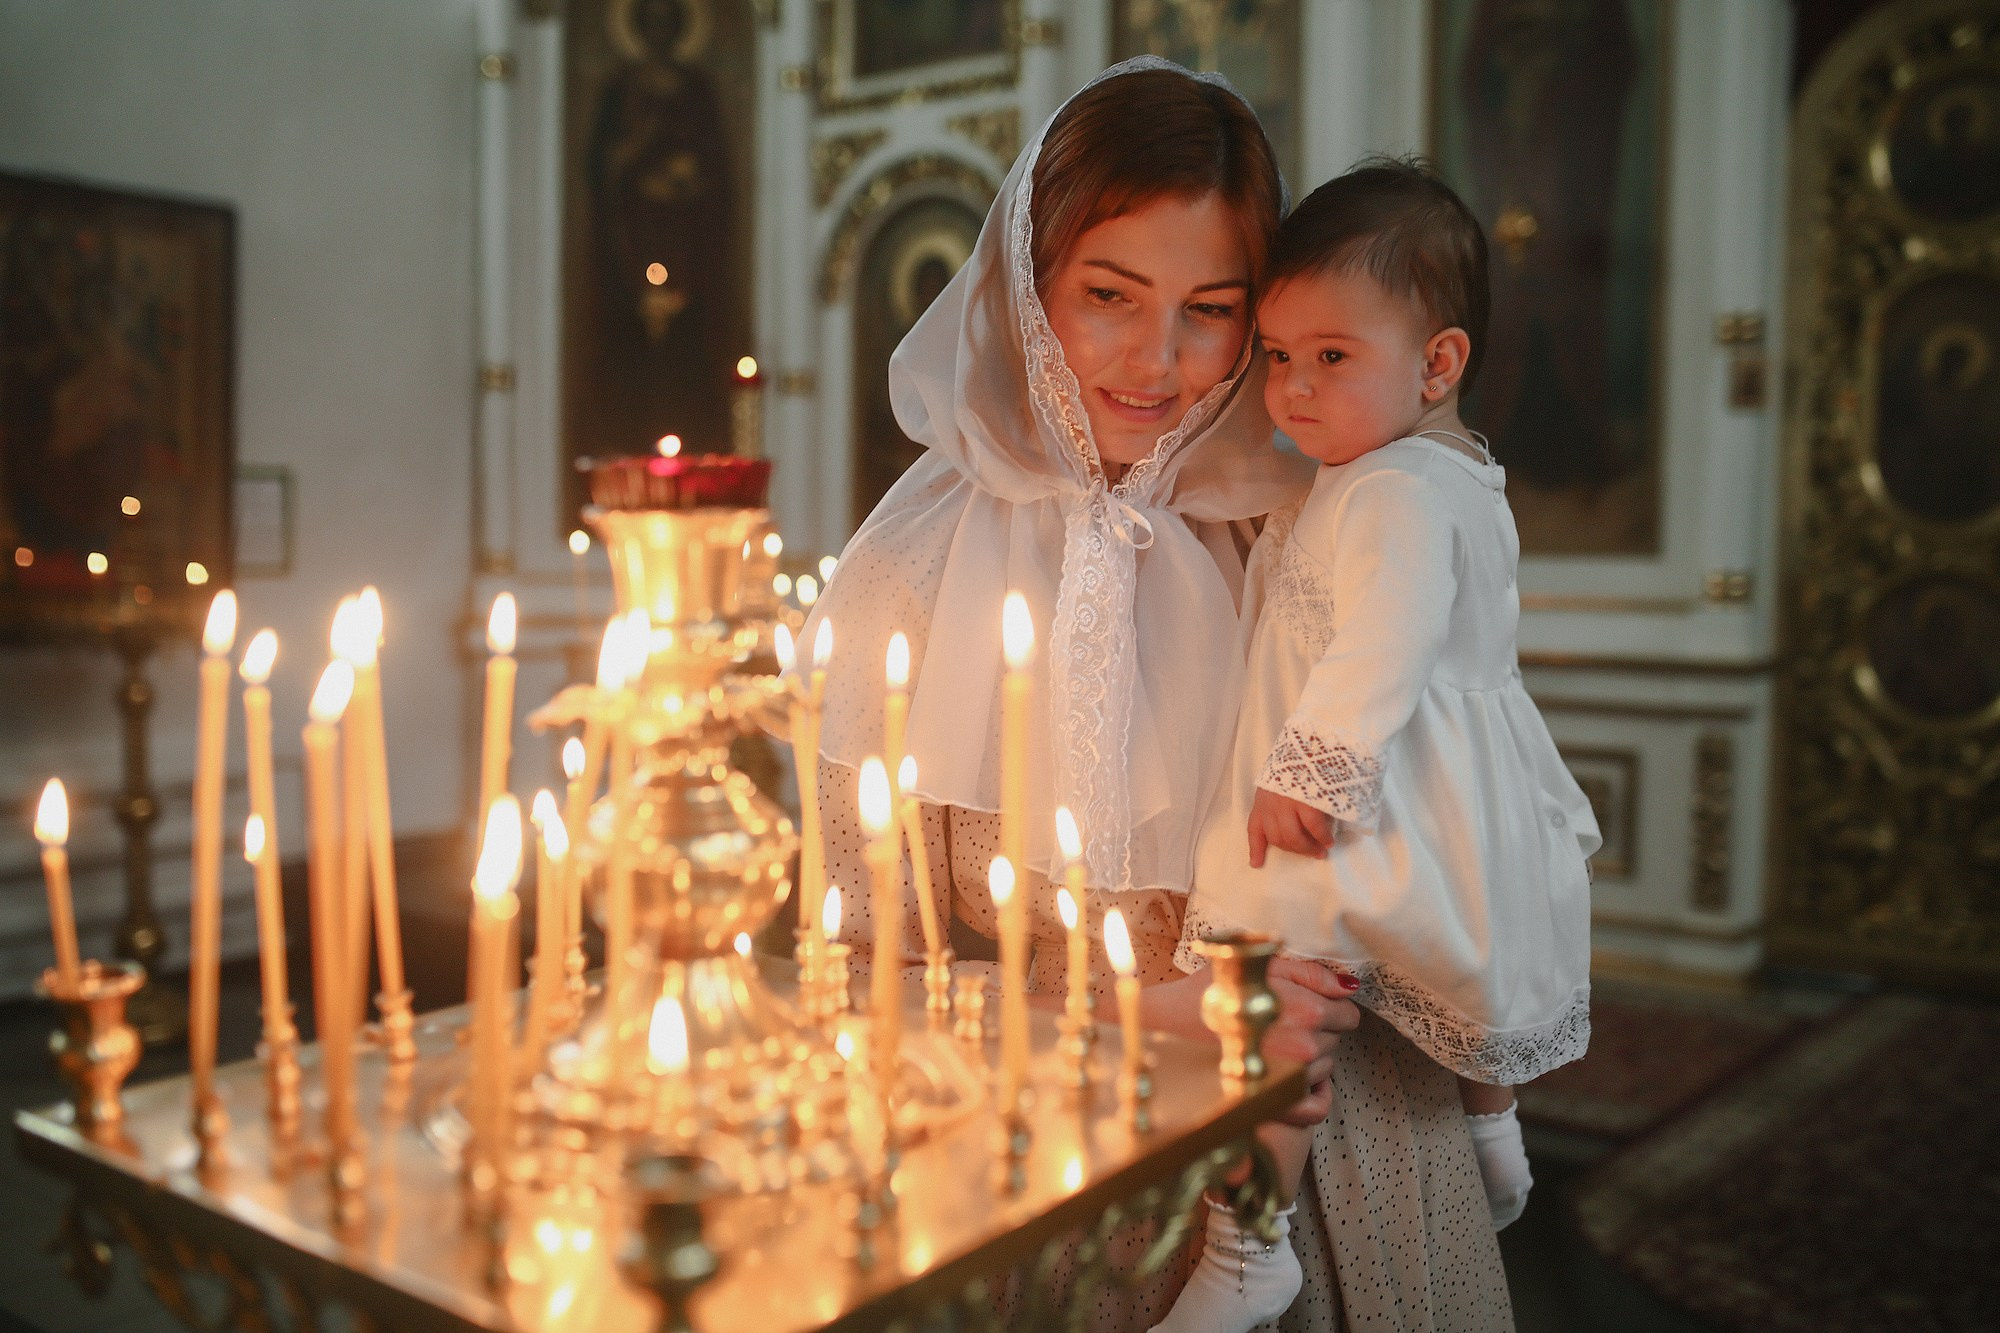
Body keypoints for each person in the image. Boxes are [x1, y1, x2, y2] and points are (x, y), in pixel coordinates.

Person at [1158, 159, 1601, 1333]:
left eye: (1330, 357)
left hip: (1366, 800)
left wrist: (1308, 769)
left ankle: (1250, 1248)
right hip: (1452, 799)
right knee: (1462, 970)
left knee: (1265, 989)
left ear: (1437, 362)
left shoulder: (1394, 491)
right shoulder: (1438, 470)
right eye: (1277, 355)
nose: (1291, 390)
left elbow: (1385, 642)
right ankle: (1492, 1130)